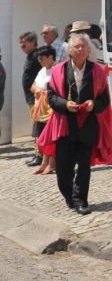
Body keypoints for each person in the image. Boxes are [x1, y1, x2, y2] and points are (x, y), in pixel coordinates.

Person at [39, 34, 112, 215]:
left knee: (84, 166)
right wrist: (65, 105)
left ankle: (81, 200)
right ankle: (69, 196)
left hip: (88, 125)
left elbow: (105, 99)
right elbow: (51, 97)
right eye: (76, 46)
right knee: (63, 168)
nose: (80, 49)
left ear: (88, 50)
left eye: (83, 46)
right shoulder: (59, 70)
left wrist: (94, 104)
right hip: (65, 125)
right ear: (70, 50)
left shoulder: (97, 71)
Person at [30, 45, 56, 175]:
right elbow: (33, 86)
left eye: (41, 58)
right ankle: (44, 162)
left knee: (51, 137)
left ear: (50, 57)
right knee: (42, 137)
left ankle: (51, 164)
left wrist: (44, 92)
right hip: (41, 109)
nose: (39, 60)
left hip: (51, 109)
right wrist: (38, 90)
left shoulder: (56, 70)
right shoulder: (42, 71)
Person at [19, 32, 43, 167]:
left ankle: (39, 155)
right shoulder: (30, 56)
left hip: (36, 97)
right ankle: (38, 153)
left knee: (37, 127)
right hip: (30, 97)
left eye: (24, 42)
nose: (21, 45)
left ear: (33, 42)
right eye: (20, 43)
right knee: (35, 126)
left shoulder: (36, 56)